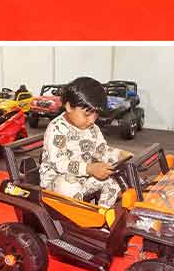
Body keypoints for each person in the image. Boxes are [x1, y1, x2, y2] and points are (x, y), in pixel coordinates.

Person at [38, 76, 128, 207]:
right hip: (56, 182)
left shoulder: (92, 128)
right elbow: (60, 164)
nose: (92, 120)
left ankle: (101, 215)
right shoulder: (57, 129)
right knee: (69, 186)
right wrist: (90, 168)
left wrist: (119, 155)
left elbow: (101, 149)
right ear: (69, 106)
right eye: (87, 114)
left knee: (112, 184)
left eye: (96, 114)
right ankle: (76, 222)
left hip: (83, 177)